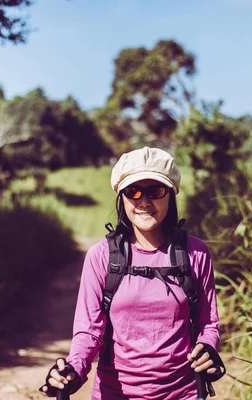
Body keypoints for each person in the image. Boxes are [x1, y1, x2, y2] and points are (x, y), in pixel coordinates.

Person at [39, 147, 224, 399]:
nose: (144, 201)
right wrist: (72, 372)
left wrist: (207, 349)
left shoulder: (196, 253)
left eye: (156, 191)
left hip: (184, 393)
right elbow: (89, 333)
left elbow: (208, 324)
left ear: (170, 195)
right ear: (121, 197)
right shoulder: (101, 256)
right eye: (133, 191)